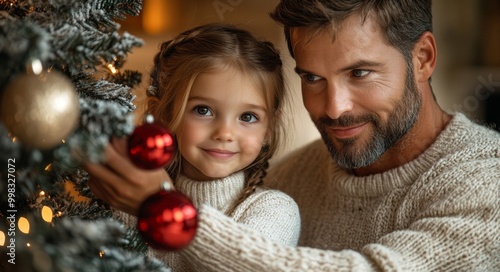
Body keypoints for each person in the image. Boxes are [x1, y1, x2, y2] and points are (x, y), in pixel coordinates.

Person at [86, 1, 500, 271]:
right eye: (313, 78)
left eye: (359, 73)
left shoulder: (486, 179)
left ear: (423, 58)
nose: (334, 107)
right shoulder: (293, 175)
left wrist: (164, 213)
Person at [84, 23, 300, 271]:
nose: (225, 133)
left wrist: (162, 207)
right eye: (203, 110)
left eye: (248, 117)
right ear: (161, 114)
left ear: (268, 130)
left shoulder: (276, 211)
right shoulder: (127, 204)